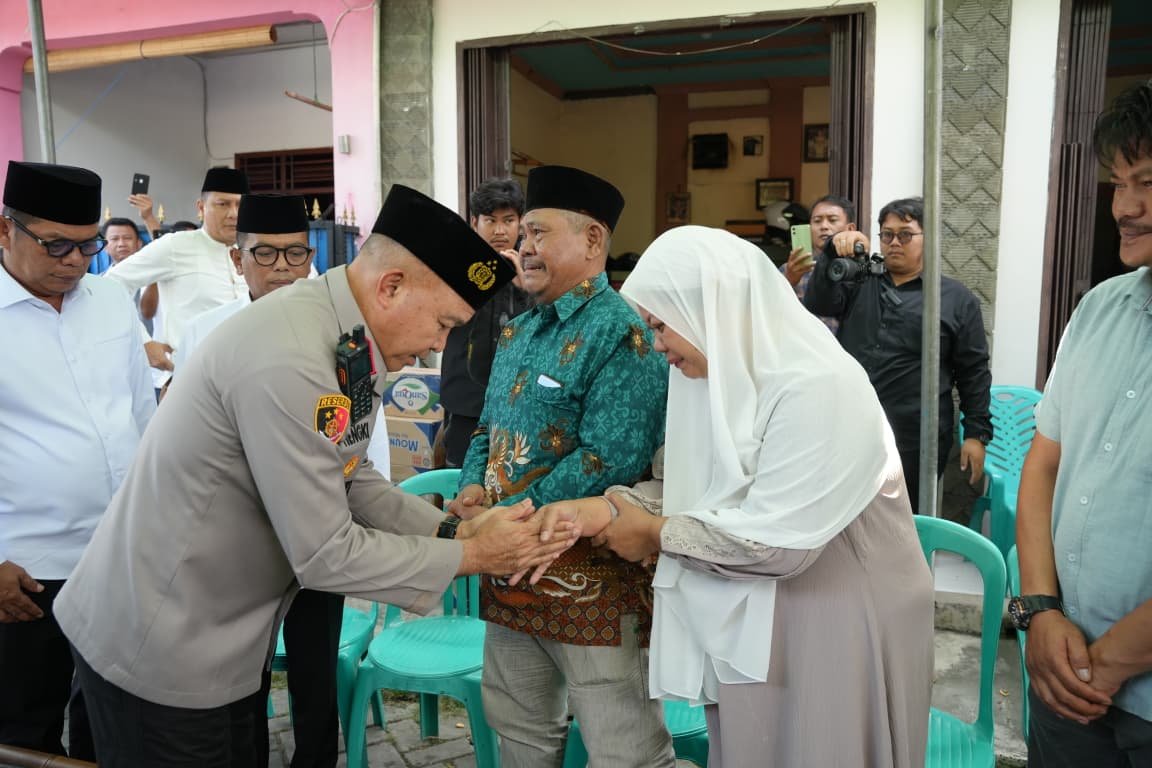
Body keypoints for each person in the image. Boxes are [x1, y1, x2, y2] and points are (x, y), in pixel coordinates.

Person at [53, 184, 579, 768]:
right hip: (159, 643)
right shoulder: (291, 356)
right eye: (442, 323)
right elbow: (326, 554)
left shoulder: (345, 334)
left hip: (220, 633)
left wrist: (454, 531)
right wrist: (477, 557)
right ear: (391, 287)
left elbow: (349, 472)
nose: (438, 346)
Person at [537, 225, 935, 767]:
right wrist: (608, 509)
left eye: (661, 326)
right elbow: (689, 484)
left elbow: (777, 544)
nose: (658, 346)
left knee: (818, 745)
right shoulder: (712, 380)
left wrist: (654, 534)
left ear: (709, 310)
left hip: (839, 614)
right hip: (756, 610)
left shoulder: (817, 385)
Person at [450, 165, 675, 767]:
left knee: (625, 749)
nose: (524, 246)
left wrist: (500, 518)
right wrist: (472, 488)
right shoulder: (518, 331)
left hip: (591, 586)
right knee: (520, 734)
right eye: (522, 233)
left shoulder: (624, 333)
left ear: (593, 239)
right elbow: (487, 426)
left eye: (539, 233)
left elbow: (611, 457)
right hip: (509, 574)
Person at [173, 193, 341, 768]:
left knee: (317, 667)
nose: (282, 268)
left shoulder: (340, 329)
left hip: (320, 527)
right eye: (265, 254)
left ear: (311, 256)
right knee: (244, 671)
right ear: (237, 259)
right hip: (237, 540)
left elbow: (358, 436)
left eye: (295, 254)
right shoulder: (204, 331)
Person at [1013, 79, 1152, 767]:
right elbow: (1043, 465)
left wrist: (1110, 662)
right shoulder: (1099, 310)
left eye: (1147, 182)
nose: (1124, 207)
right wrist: (1039, 610)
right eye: (1118, 183)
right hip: (1061, 675)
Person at [0, 161, 155, 759]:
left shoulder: (111, 300)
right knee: (23, 727)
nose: (74, 260)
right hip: (25, 570)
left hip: (117, 553)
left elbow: (141, 415)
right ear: (5, 230)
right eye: (56, 244)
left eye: (88, 245)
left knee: (110, 717)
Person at [804, 196, 993, 513]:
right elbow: (818, 303)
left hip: (917, 433)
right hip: (853, 423)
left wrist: (976, 434)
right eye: (887, 234)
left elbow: (973, 371)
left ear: (929, 238)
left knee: (906, 515)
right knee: (846, 512)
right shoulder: (862, 278)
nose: (894, 243)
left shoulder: (956, 299)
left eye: (905, 235)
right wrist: (832, 252)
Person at [105, 166, 251, 364]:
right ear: (201, 207)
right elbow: (112, 284)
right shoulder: (176, 245)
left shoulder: (254, 251)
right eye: (223, 204)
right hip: (188, 372)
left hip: (243, 369)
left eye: (240, 205)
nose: (233, 214)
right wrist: (143, 342)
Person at [440, 178, 533, 466]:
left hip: (516, 402)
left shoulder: (534, 269)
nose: (500, 230)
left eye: (508, 220)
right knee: (460, 473)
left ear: (521, 224)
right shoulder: (455, 265)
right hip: (464, 399)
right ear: (475, 223)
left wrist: (525, 291)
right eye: (490, 220)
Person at [781, 194, 857, 332]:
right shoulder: (790, 269)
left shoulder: (860, 269)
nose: (824, 226)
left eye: (832, 220)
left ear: (850, 229)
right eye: (817, 221)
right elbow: (769, 312)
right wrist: (789, 281)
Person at [102, 216, 160, 333]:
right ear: (105, 246)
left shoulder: (155, 277)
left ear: (139, 243)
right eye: (114, 239)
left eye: (127, 238)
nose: (121, 244)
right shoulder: (98, 282)